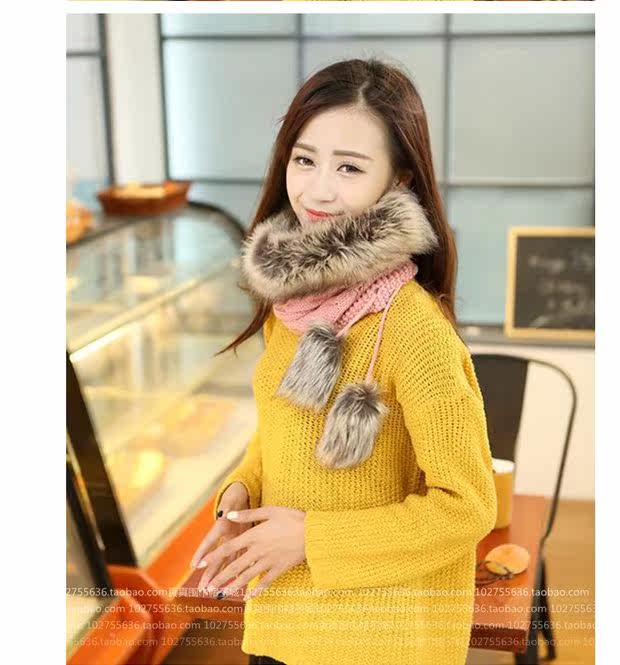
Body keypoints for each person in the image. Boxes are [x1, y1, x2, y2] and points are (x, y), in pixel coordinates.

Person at [189, 58, 497, 665]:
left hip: (372, 644)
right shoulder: (292, 304)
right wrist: (240, 492)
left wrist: (312, 538)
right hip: (281, 626)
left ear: (399, 179)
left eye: (350, 167)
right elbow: (281, 432)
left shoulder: (413, 330)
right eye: (304, 160)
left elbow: (469, 506)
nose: (317, 189)